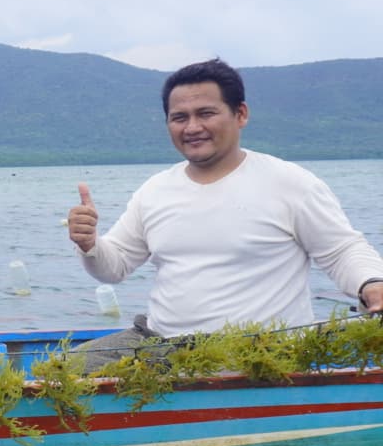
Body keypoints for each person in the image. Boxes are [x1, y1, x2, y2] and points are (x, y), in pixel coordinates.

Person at [68, 58, 383, 370]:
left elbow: (342, 250)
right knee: (64, 369)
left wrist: (371, 284)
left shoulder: (290, 183)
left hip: (260, 352)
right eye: (179, 117)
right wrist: (90, 244)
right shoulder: (155, 190)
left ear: (240, 114)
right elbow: (115, 266)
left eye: (206, 113)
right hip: (160, 345)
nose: (192, 127)